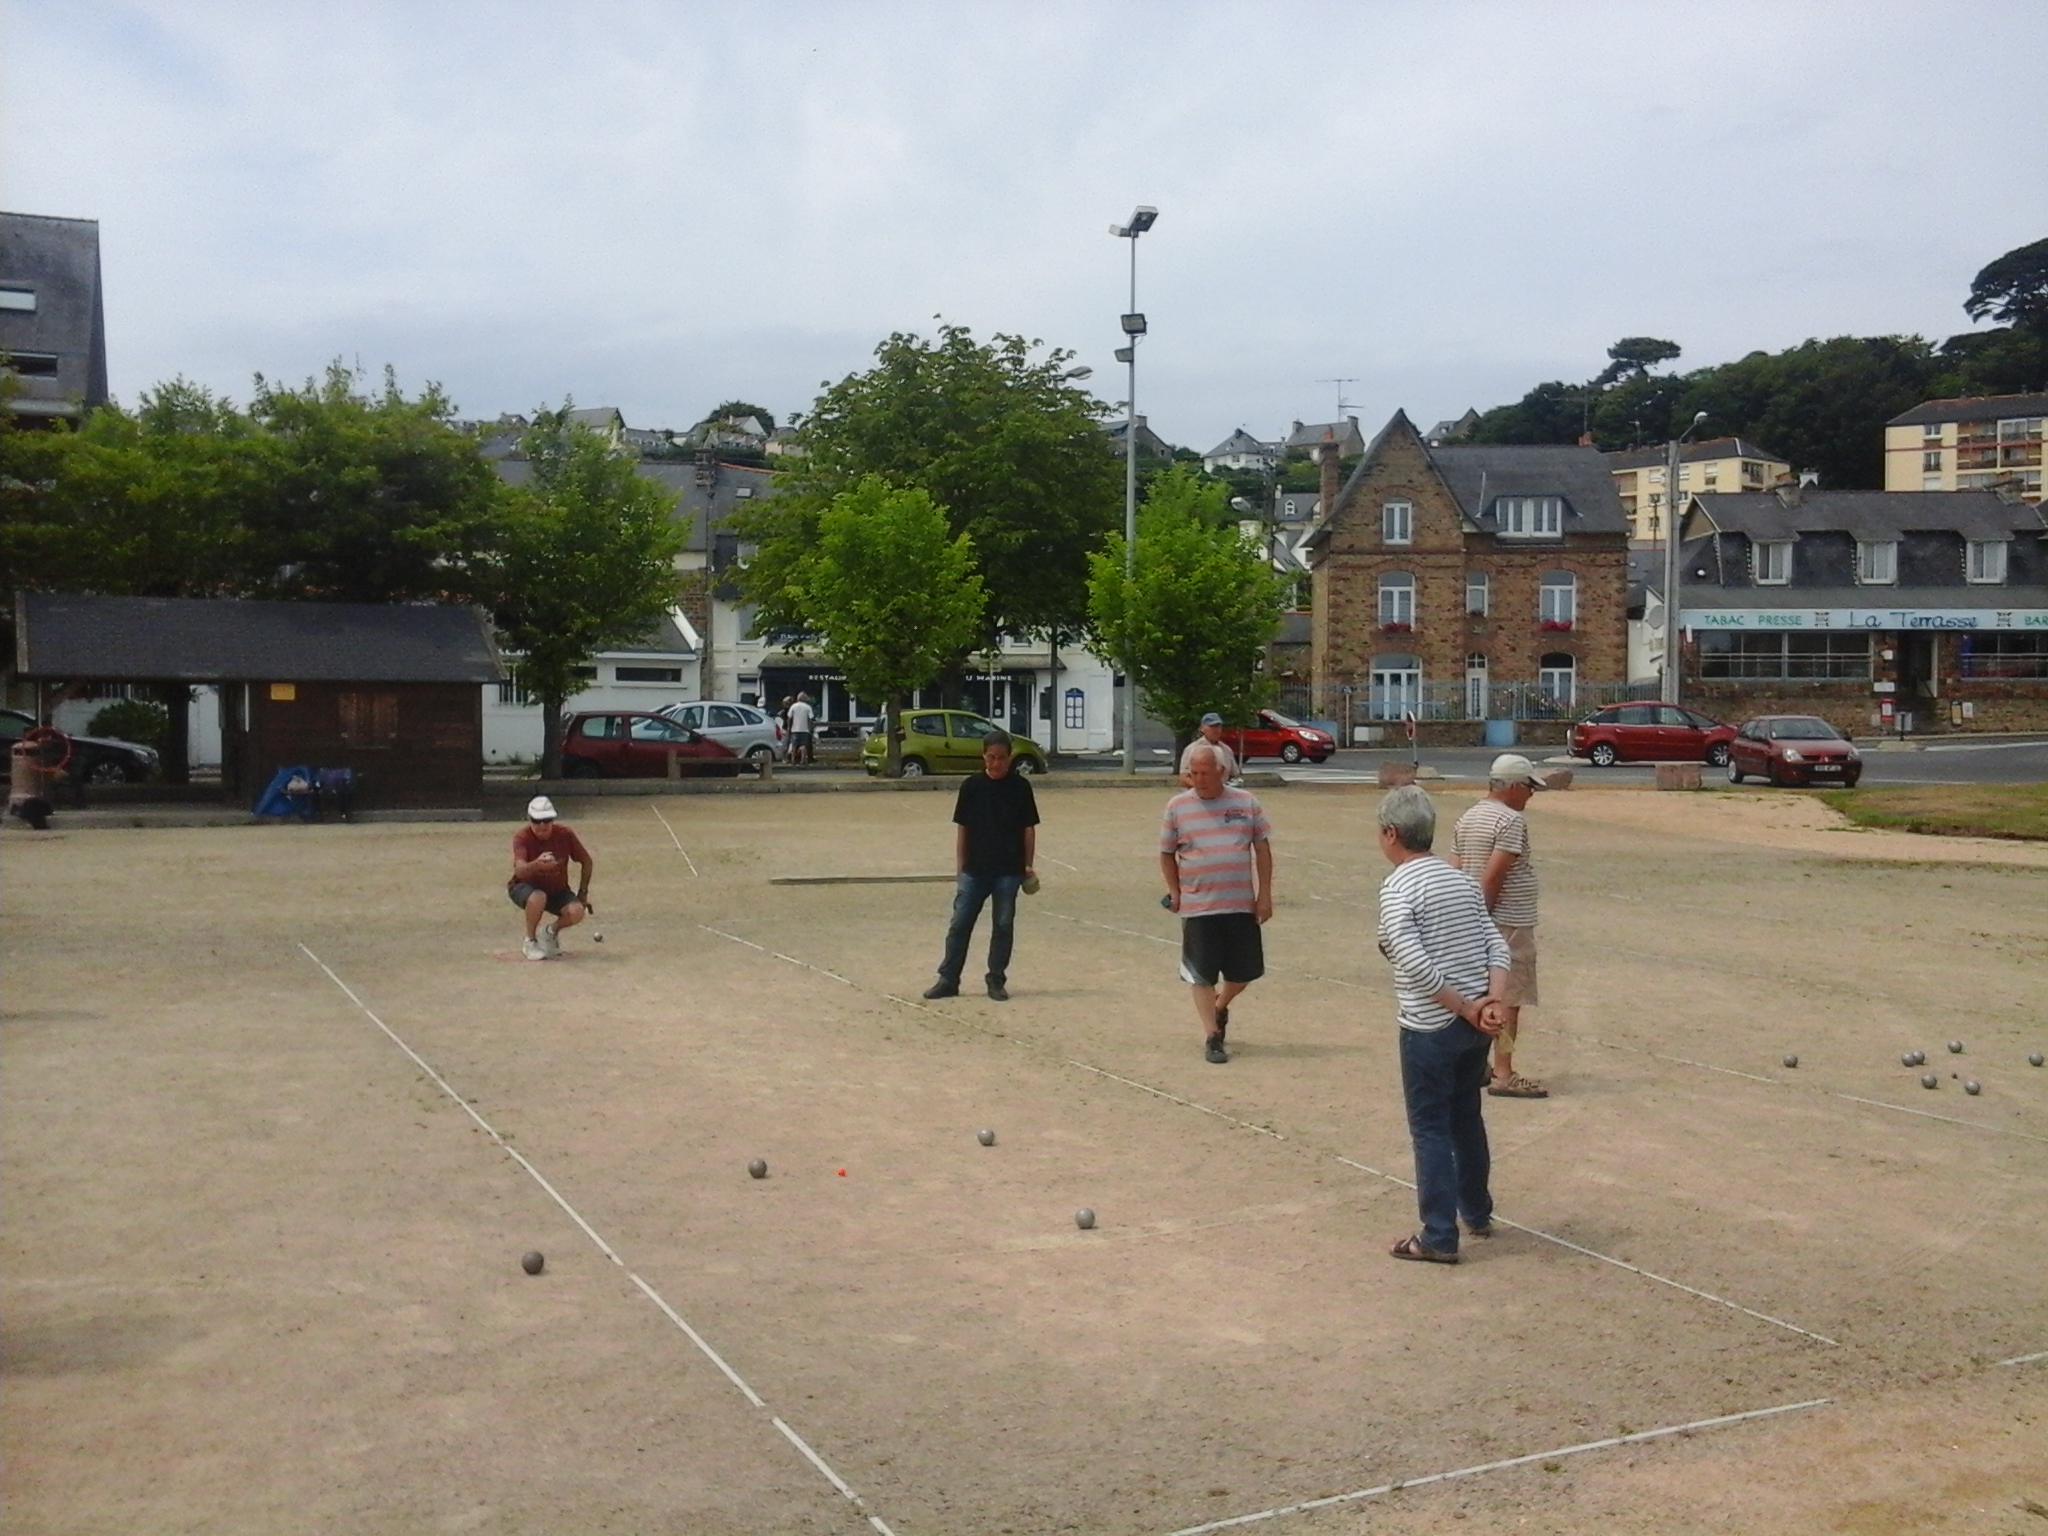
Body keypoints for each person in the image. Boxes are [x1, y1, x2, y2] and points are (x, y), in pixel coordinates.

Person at [1375, 784, 1510, 1264]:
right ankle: (1475, 1209)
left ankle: (1437, 1233)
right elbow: (1497, 944)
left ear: (1391, 834)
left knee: (1430, 1128)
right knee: (1465, 1118)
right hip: (1472, 1026)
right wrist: (1490, 998)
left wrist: (1463, 1005)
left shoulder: (1398, 887)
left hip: (1429, 1025)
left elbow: (1411, 961)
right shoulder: (1463, 881)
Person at [1447, 752, 1554, 1099]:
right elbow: (1494, 876)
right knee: (1509, 998)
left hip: (1475, 919)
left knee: (1478, 993)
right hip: (1507, 921)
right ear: (1513, 786)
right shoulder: (1509, 822)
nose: (1531, 794)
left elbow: (1455, 869)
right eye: (1529, 787)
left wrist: (1462, 919)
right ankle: (1504, 1071)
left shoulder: (1469, 817)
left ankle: (1477, 1064)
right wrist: (1481, 916)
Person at [1160, 743, 1273, 1064]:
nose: (1198, 780)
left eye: (1205, 773)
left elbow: (1262, 849)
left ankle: (1220, 1006)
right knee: (1201, 974)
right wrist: (1175, 890)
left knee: (1244, 972)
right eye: (1193, 773)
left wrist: (1264, 895)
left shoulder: (1246, 803)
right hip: (1199, 906)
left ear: (1222, 772)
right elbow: (1166, 853)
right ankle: (1212, 1036)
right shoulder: (1177, 807)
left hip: (1239, 904)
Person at [923, 729, 1038, 1002]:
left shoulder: (1020, 787)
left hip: (1009, 870)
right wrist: (961, 867)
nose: (995, 763)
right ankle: (948, 979)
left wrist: (1028, 865)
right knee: (959, 925)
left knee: (1003, 925)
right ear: (982, 756)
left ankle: (996, 979)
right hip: (975, 869)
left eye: (1001, 758)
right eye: (990, 757)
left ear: (1010, 758)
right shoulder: (971, 786)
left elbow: (1028, 829)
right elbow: (963, 828)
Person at [508, 795, 594, 960]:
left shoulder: (565, 834)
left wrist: (583, 893)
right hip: (524, 886)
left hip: (557, 889)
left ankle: (550, 932)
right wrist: (536, 865)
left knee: (577, 911)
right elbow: (519, 870)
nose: (542, 826)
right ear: (529, 820)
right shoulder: (522, 837)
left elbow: (586, 861)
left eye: (547, 820)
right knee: (538, 896)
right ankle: (530, 941)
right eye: (536, 821)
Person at [1177, 711, 1239, 783]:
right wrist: (1203, 788)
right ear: (1202, 728)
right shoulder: (1192, 749)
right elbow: (1183, 777)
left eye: (1218, 726)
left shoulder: (1227, 750)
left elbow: (1234, 775)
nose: (1216, 730)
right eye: (1212, 726)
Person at [787, 692, 816, 765]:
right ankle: (803, 760)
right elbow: (811, 718)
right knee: (803, 746)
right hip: (805, 729)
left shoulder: (793, 706)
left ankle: (793, 760)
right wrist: (810, 729)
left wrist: (789, 727)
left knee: (794, 746)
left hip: (794, 729)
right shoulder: (808, 707)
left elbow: (789, 717)